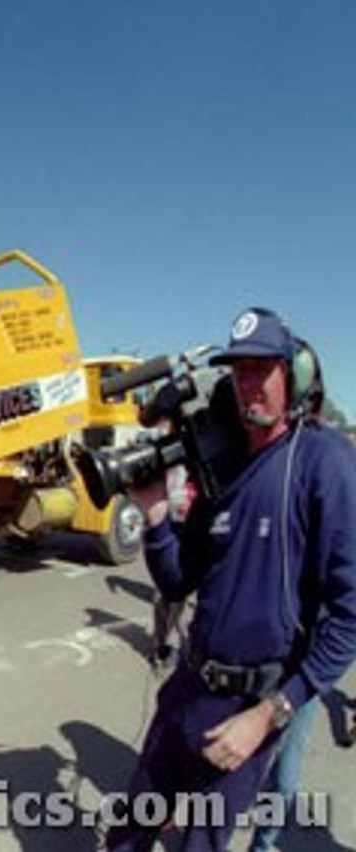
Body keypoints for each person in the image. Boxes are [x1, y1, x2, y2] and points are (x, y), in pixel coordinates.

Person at [104, 308, 356, 852]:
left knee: (201, 846)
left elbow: (349, 618)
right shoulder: (221, 474)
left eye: (261, 369)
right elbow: (176, 580)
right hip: (187, 693)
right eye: (238, 371)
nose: (248, 385)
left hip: (250, 710)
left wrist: (269, 716)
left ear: (294, 377)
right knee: (129, 832)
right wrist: (152, 517)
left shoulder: (322, 463)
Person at [248, 338, 328, 852]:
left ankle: (265, 843)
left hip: (302, 651)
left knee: (284, 766)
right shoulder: (256, 458)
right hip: (252, 645)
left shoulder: (326, 462)